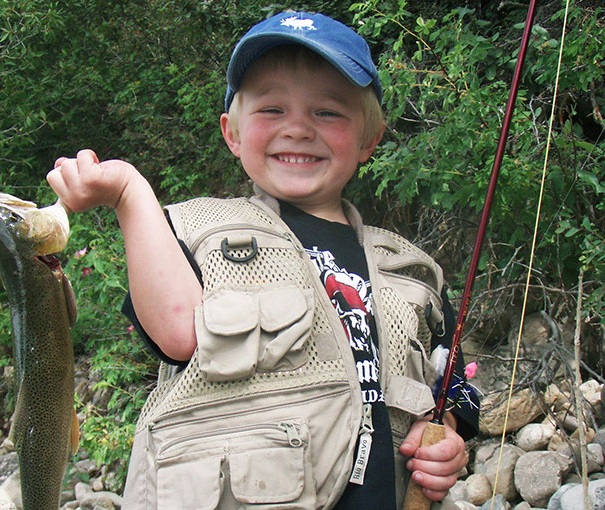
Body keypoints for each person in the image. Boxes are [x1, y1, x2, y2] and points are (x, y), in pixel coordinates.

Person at [47, 11, 479, 510]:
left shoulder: (414, 273)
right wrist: (127, 192)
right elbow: (175, 331)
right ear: (232, 133)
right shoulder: (193, 230)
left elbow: (455, 391)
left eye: (328, 112)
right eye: (272, 109)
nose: (297, 128)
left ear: (368, 139)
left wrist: (447, 441)